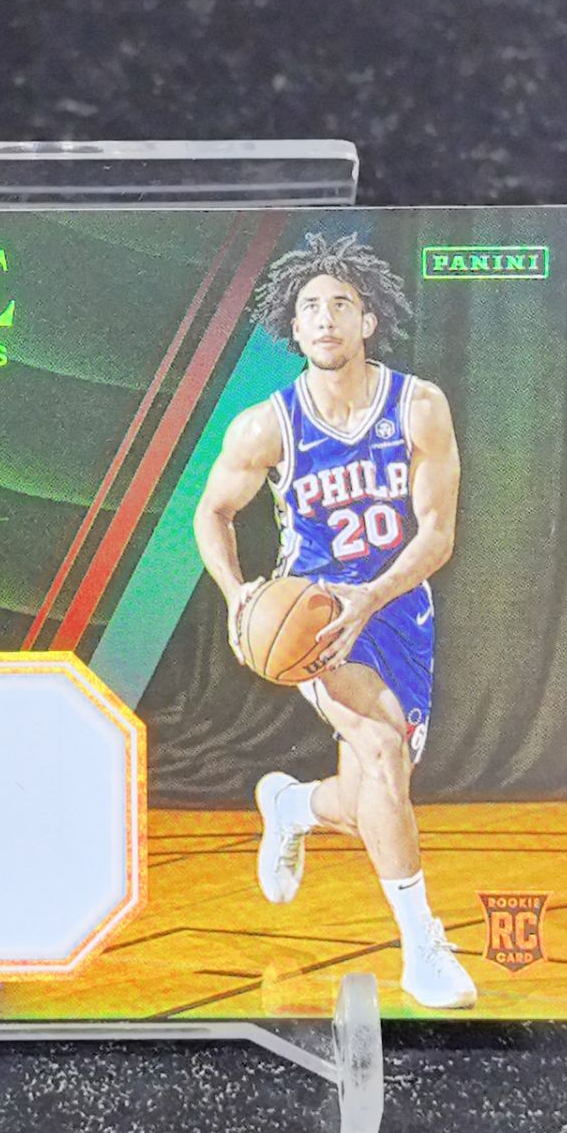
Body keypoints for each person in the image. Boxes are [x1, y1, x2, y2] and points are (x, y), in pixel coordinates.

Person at [193, 234, 476, 1009]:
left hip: (396, 607)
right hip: (313, 617)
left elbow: (437, 535)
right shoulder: (267, 426)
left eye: (340, 305)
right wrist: (239, 595)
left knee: (369, 800)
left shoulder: (418, 407)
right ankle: (422, 948)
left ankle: (291, 806)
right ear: (294, 325)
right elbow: (212, 514)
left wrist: (372, 598)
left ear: (367, 320)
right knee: (381, 751)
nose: (324, 319)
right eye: (310, 307)